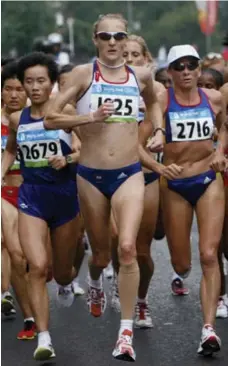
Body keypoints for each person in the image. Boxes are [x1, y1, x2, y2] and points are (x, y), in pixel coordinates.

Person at [44, 13, 166, 362]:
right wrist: (89, 117)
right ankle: (96, 282)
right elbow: (52, 117)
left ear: (127, 37)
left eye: (119, 35)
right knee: (100, 255)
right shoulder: (84, 74)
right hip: (91, 175)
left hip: (129, 172)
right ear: (96, 39)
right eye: (106, 36)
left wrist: (157, 131)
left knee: (127, 248)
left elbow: (155, 100)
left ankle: (124, 333)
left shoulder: (140, 74)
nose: (113, 42)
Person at [143, 44, 227, 357]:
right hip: (175, 183)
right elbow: (151, 112)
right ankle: (183, 273)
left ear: (199, 67)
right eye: (179, 67)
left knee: (208, 254)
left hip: (208, 180)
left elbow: (224, 126)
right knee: (182, 263)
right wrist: (159, 141)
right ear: (171, 72)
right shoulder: (163, 98)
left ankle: (208, 329)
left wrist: (220, 152)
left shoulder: (214, 97)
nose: (187, 72)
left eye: (192, 65)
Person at [1, 52, 82, 361]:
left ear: (52, 85)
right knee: (35, 266)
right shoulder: (15, 118)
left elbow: (83, 149)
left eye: (40, 82)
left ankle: (66, 283)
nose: (33, 88)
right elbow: (11, 151)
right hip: (31, 197)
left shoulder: (66, 112)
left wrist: (68, 158)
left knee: (61, 273)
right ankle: (44, 338)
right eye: (28, 82)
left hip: (63, 196)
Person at [1, 61, 36, 339]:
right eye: (8, 89)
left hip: (34, 192)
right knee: (14, 252)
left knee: (40, 265)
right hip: (4, 193)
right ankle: (29, 316)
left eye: (18, 89)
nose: (13, 94)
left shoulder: (37, 118)